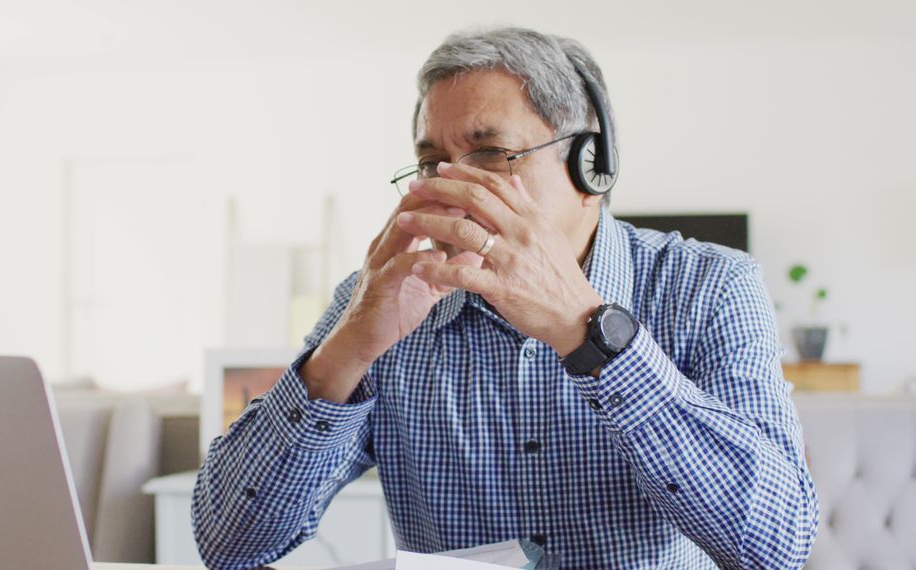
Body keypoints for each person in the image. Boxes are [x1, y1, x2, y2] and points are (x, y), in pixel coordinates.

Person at [192, 27, 818, 569]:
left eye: (490, 153)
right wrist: (348, 349)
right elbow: (228, 544)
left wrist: (587, 331)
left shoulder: (711, 285)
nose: (451, 187)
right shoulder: (378, 299)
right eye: (433, 163)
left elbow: (776, 545)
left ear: (590, 164)